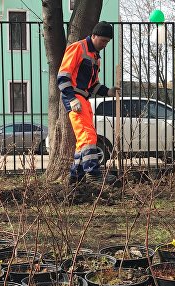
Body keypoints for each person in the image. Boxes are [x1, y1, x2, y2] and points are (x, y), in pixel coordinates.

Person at [57, 21, 119, 185]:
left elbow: (93, 85)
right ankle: (93, 173)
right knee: (87, 135)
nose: (105, 45)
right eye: (103, 41)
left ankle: (75, 179)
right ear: (94, 35)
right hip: (75, 98)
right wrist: (71, 99)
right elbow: (63, 76)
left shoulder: (95, 58)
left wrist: (109, 92)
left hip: (83, 99)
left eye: (107, 42)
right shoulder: (78, 47)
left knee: (83, 140)